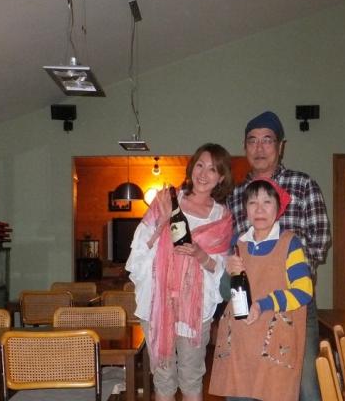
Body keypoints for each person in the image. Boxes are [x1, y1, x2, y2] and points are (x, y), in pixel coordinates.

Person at [227, 111, 331, 401]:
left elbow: (320, 239)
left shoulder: (303, 184)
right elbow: (232, 247)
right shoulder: (236, 195)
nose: (259, 147)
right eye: (252, 141)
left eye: (267, 140)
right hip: (249, 306)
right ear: (244, 146)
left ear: (281, 146)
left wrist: (283, 267)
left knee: (304, 382)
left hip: (295, 303)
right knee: (249, 382)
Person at [125, 143, 234, 401]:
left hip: (194, 308)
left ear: (221, 177)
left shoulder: (221, 217)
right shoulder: (167, 200)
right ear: (192, 167)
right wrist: (162, 222)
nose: (204, 174)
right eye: (200, 165)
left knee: (191, 377)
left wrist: (199, 254)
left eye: (213, 169)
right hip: (159, 302)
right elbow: (140, 250)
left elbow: (219, 269)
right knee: (162, 378)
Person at [209, 178, 313, 401]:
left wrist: (263, 304)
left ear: (278, 208)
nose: (259, 209)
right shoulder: (238, 243)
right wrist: (229, 273)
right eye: (252, 203)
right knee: (239, 395)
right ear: (245, 209)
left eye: (267, 202)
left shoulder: (290, 243)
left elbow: (304, 292)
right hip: (240, 342)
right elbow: (226, 293)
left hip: (274, 342)